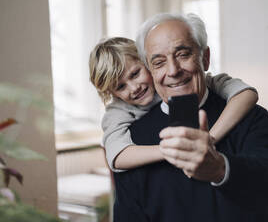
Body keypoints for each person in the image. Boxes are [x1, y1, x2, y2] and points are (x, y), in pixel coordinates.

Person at [112, 13, 268, 221]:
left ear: (205, 58)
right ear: (150, 71)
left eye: (183, 54)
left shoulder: (253, 118)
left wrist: (220, 169)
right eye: (159, 63)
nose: (173, 70)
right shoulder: (133, 139)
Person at [89, 37, 258, 172]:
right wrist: (175, 149)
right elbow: (118, 157)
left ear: (147, 62)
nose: (134, 88)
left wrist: (209, 139)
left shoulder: (182, 82)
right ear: (112, 94)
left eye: (135, 74)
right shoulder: (117, 111)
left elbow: (246, 94)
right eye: (120, 87)